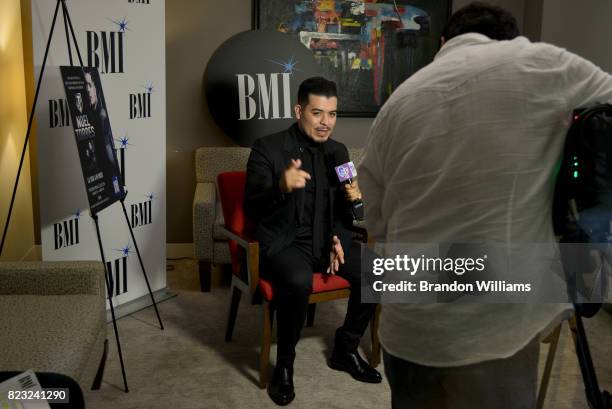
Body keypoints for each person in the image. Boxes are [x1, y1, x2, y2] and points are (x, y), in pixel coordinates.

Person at [358, 2, 612, 408]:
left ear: (444, 42)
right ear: (510, 38)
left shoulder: (398, 100)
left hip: (406, 323)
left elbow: (377, 221)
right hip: (489, 328)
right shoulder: (538, 63)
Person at [244, 77, 382, 406]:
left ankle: (345, 350)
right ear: (298, 110)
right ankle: (285, 366)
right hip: (285, 243)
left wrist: (350, 214)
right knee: (297, 279)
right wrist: (280, 185)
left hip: (329, 241)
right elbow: (251, 208)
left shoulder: (340, 152)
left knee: (376, 270)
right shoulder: (267, 148)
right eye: (318, 113)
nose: (326, 123)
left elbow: (356, 212)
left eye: (332, 115)